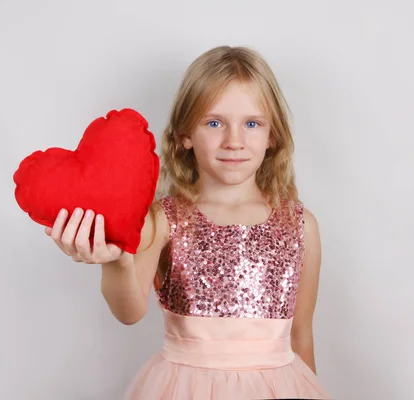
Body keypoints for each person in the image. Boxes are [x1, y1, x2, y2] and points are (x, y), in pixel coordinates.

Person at [45, 45, 330, 399]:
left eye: (252, 123)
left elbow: (301, 333)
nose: (234, 141)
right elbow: (129, 311)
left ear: (272, 135)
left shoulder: (301, 226)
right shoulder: (164, 218)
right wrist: (117, 261)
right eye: (214, 123)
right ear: (185, 135)